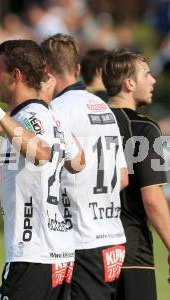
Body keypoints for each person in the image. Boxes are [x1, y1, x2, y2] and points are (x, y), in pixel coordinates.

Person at [0, 39, 86, 300]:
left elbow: (41, 154)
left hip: (33, 255)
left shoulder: (27, 117)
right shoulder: (51, 115)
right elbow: (78, 163)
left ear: (15, 75)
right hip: (60, 254)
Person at [41, 33, 128, 300]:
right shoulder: (103, 107)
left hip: (81, 238)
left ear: (45, 70)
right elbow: (123, 178)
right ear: (78, 68)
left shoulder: (56, 110)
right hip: (112, 235)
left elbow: (44, 169)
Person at [101, 49, 170, 300]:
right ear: (129, 83)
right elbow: (152, 198)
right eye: (147, 75)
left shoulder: (88, 122)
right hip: (130, 249)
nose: (153, 80)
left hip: (87, 249)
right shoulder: (144, 128)